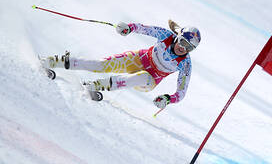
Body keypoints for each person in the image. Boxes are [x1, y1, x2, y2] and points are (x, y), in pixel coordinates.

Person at [40, 21, 201, 109]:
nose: (182, 48)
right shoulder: (166, 35)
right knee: (101, 65)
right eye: (182, 42)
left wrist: (167, 99)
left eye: (189, 48)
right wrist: (128, 28)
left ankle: (96, 86)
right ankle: (53, 61)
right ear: (177, 37)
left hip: (150, 80)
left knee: (142, 77)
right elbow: (145, 29)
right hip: (139, 59)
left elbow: (181, 93)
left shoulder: (185, 64)